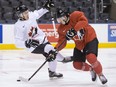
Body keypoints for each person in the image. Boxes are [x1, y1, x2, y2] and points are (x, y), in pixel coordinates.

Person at [55, 8, 108, 84]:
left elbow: (84, 21)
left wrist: (74, 30)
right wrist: (55, 50)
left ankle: (100, 74)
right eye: (59, 20)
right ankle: (91, 69)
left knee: (91, 57)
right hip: (79, 45)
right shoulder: (61, 29)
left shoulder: (75, 15)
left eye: (62, 18)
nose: (61, 21)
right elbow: (62, 43)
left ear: (67, 15)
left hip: (90, 38)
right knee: (76, 64)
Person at [14, 1, 65, 78]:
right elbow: (17, 42)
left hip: (43, 40)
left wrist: (46, 8)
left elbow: (38, 13)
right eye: (25, 13)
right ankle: (63, 61)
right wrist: (26, 43)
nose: (27, 14)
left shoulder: (31, 15)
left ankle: (52, 72)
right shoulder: (18, 26)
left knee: (53, 56)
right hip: (33, 46)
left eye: (27, 12)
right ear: (20, 15)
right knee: (51, 50)